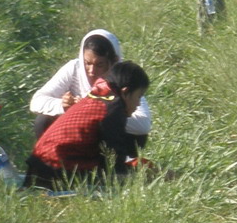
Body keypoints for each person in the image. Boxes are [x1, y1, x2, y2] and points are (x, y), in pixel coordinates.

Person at [22, 60, 150, 190]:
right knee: (144, 175)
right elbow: (112, 155)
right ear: (125, 92)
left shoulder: (98, 94)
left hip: (38, 167)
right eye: (139, 96)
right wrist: (132, 174)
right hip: (55, 173)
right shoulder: (113, 108)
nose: (138, 104)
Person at [29, 29, 151, 157]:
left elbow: (143, 125)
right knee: (42, 121)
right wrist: (63, 106)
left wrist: (96, 111)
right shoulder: (74, 69)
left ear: (112, 62)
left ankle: (116, 166)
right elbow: (36, 102)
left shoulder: (120, 78)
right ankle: (52, 160)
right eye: (87, 63)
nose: (91, 71)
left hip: (107, 139)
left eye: (99, 65)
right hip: (76, 135)